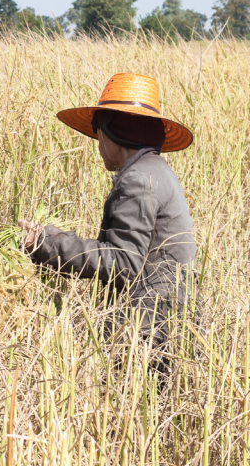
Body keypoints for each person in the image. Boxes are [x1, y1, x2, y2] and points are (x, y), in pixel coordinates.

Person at [20, 73, 196, 383]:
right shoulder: (156, 171)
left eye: (97, 135)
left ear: (112, 135)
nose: (98, 146)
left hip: (148, 327)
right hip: (165, 317)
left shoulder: (137, 180)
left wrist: (46, 243)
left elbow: (123, 260)